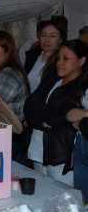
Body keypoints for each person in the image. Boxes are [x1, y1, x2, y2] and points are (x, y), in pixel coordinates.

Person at [24, 39, 87, 186]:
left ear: (81, 61)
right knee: (42, 196)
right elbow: (28, 104)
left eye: (66, 58)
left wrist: (40, 109)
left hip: (60, 153)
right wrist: (40, 121)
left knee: (63, 198)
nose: (60, 62)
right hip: (37, 149)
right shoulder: (52, 78)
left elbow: (59, 118)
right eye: (58, 57)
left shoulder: (81, 88)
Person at [60, 40, 88, 202]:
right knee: (82, 200)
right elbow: (66, 111)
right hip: (81, 143)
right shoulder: (85, 79)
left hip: (82, 135)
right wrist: (85, 114)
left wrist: (80, 121)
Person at [24, 19, 67, 93]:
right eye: (44, 35)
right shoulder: (32, 56)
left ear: (60, 39)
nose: (47, 40)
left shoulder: (61, 63)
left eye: (52, 36)